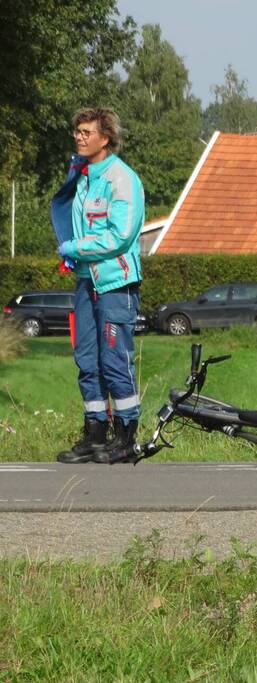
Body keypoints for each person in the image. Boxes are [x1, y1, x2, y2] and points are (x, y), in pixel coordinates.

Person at [54, 107, 145, 465]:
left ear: (104, 138)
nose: (79, 137)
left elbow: (120, 236)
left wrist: (73, 247)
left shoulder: (122, 178)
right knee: (87, 359)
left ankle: (125, 436)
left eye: (87, 132)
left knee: (114, 361)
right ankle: (95, 433)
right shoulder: (83, 176)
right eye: (77, 131)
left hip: (115, 283)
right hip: (86, 282)